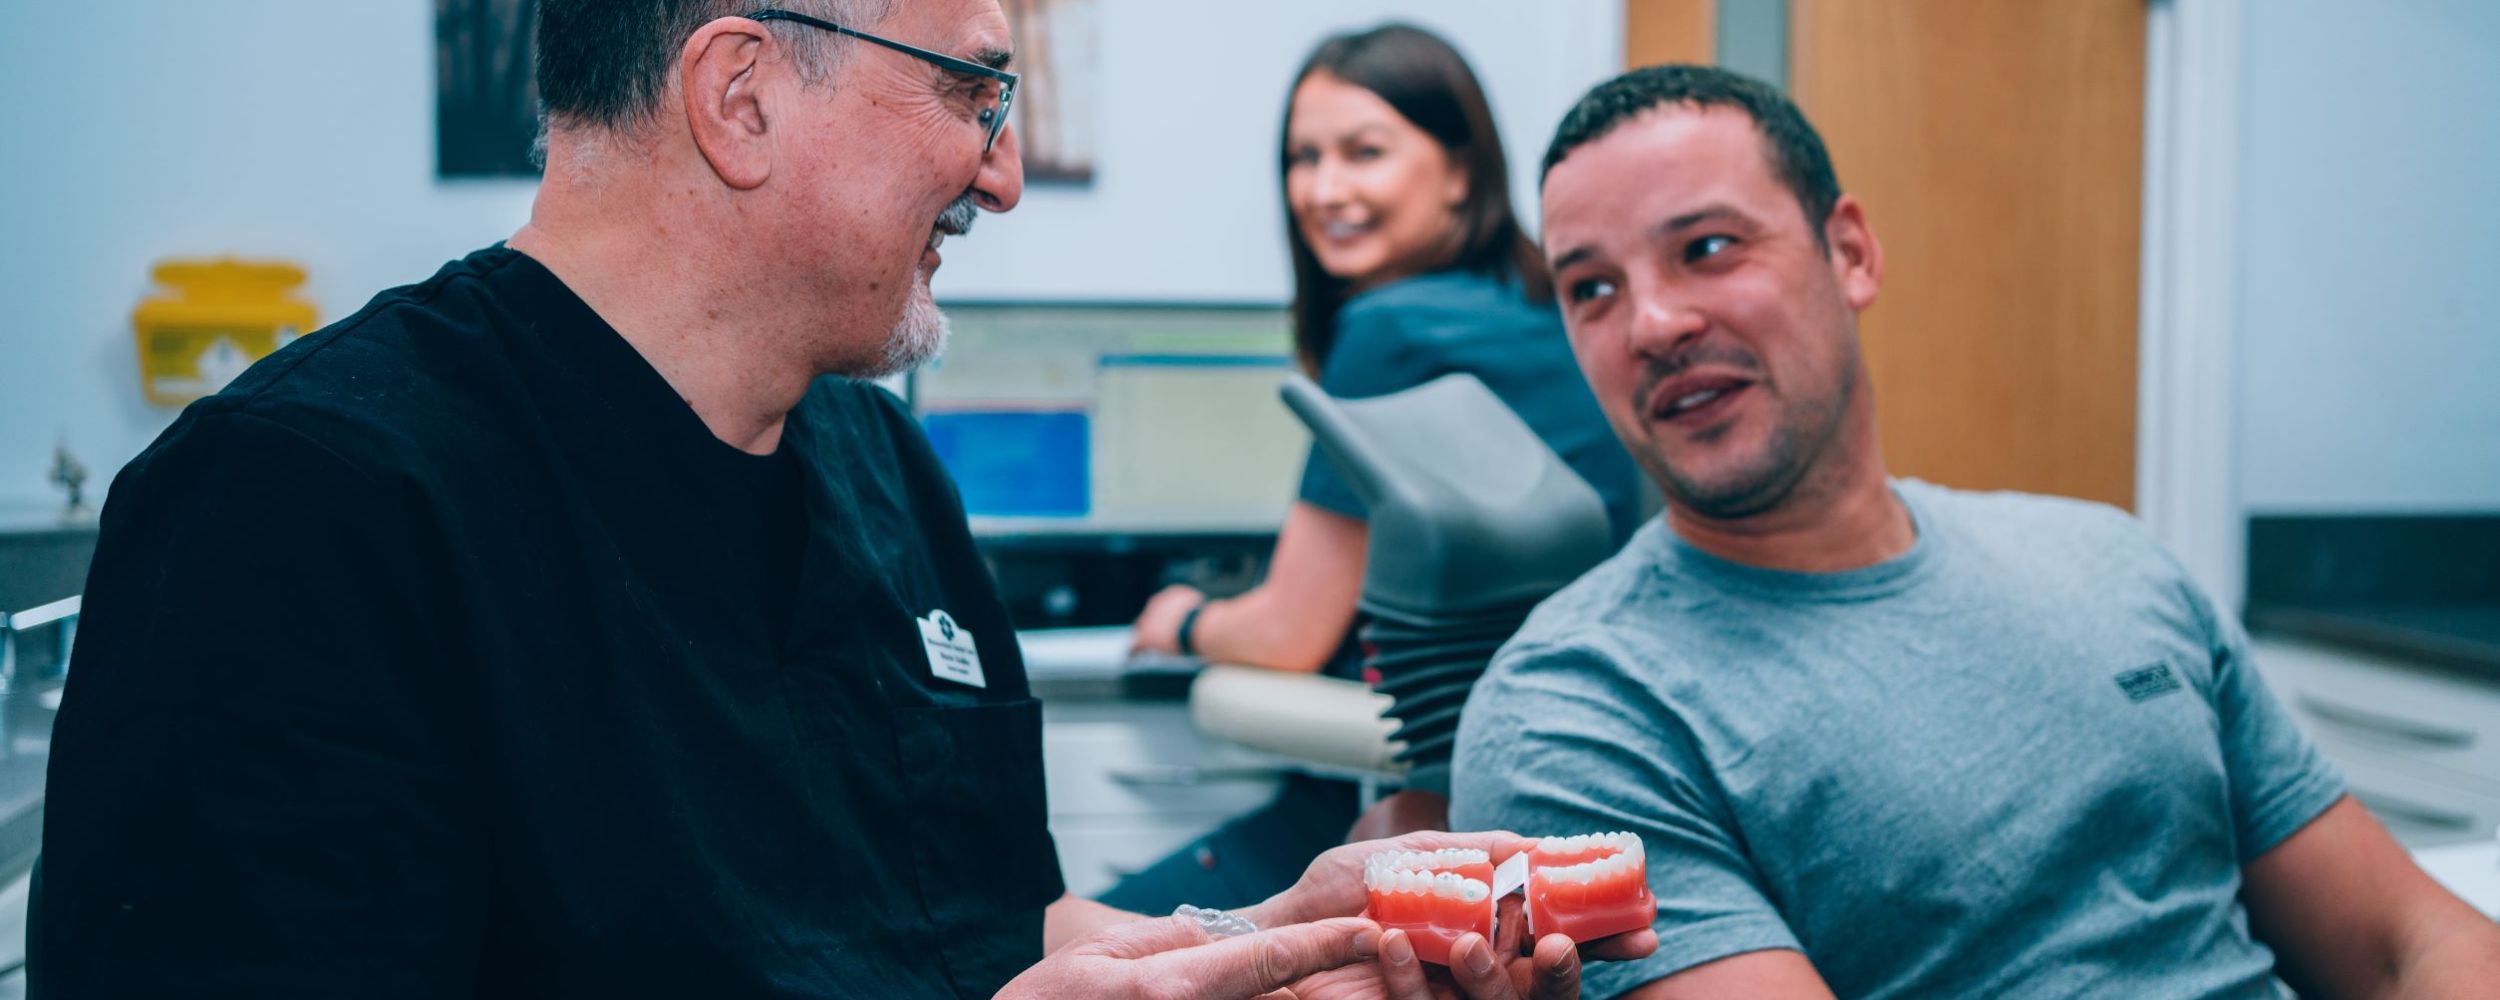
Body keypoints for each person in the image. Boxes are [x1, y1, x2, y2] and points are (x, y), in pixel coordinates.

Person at [34, 2, 1648, 997]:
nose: (1001, 172)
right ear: (740, 93)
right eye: (974, 91)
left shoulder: (882, 473)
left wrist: (1272, 943)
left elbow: (979, 928)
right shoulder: (302, 509)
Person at [1450, 64, 2500, 1000]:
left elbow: (2407, 942)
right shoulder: (1577, 711)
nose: (1652, 324)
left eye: (1708, 248)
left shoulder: (2112, 563)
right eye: (1592, 288)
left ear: (1850, 253)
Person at [1114, 22, 1644, 915]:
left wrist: (1186, 619)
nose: (1326, 190)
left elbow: (1290, 632)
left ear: (1461, 171)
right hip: (1558, 809)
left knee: (1074, 938)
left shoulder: (1388, 329)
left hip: (1421, 823)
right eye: (1304, 158)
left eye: (1365, 153)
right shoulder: (1552, 312)